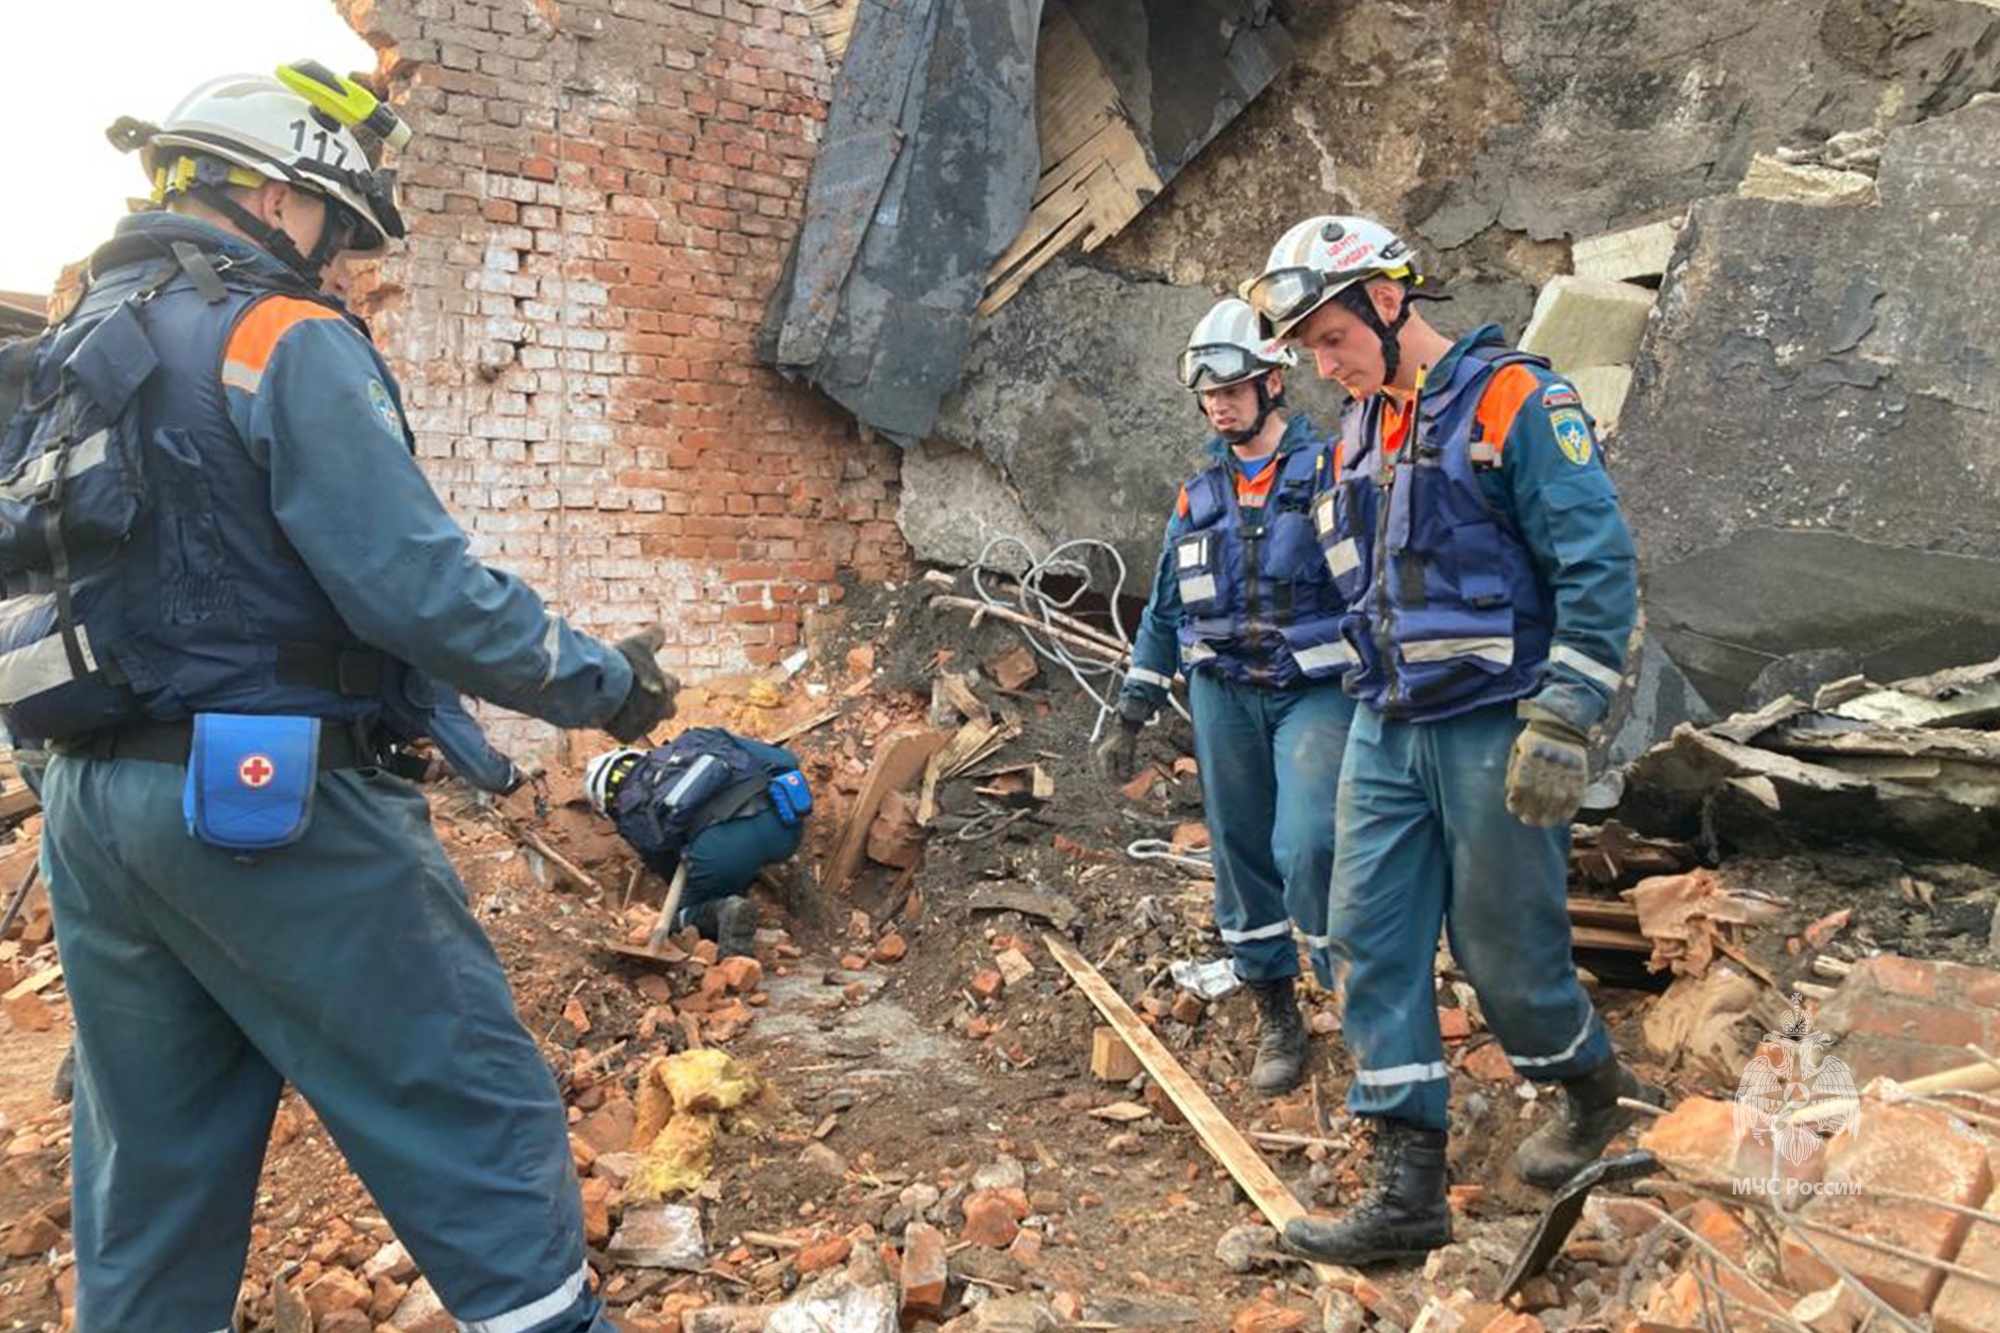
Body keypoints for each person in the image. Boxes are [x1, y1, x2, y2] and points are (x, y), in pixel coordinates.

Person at [0, 67, 678, 1333]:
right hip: (266, 798)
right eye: (331, 220)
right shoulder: (276, 336)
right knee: (466, 1098)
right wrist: (605, 683)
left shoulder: (76, 352)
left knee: (153, 1162)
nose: (340, 259)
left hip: (93, 804)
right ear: (272, 187)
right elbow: (417, 589)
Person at [1239, 215, 1650, 1264]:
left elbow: (1596, 565)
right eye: (1307, 352)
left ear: (1387, 300)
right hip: (1386, 725)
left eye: (1329, 338)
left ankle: (1588, 1090)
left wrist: (1564, 714)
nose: (1321, 365)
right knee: (1363, 933)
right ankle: (1404, 1190)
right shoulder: (1353, 431)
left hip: (1491, 722)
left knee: (1500, 940)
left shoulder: (1515, 398)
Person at [1095, 297, 1355, 1096]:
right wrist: (1133, 704)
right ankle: (1276, 1010)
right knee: (1241, 858)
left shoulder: (1334, 468)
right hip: (1222, 693)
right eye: (1208, 391)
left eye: (1234, 385)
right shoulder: (1198, 493)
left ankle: (1355, 992)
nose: (1219, 401)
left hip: (1312, 688)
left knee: (1308, 840)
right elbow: (1168, 605)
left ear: (1273, 380)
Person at [584, 729, 812, 959]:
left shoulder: (629, 812)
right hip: (785, 823)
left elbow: (669, 868)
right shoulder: (696, 739)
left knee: (681, 913)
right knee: (733, 864)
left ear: (607, 801)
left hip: (724, 852)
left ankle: (724, 913)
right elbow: (785, 760)